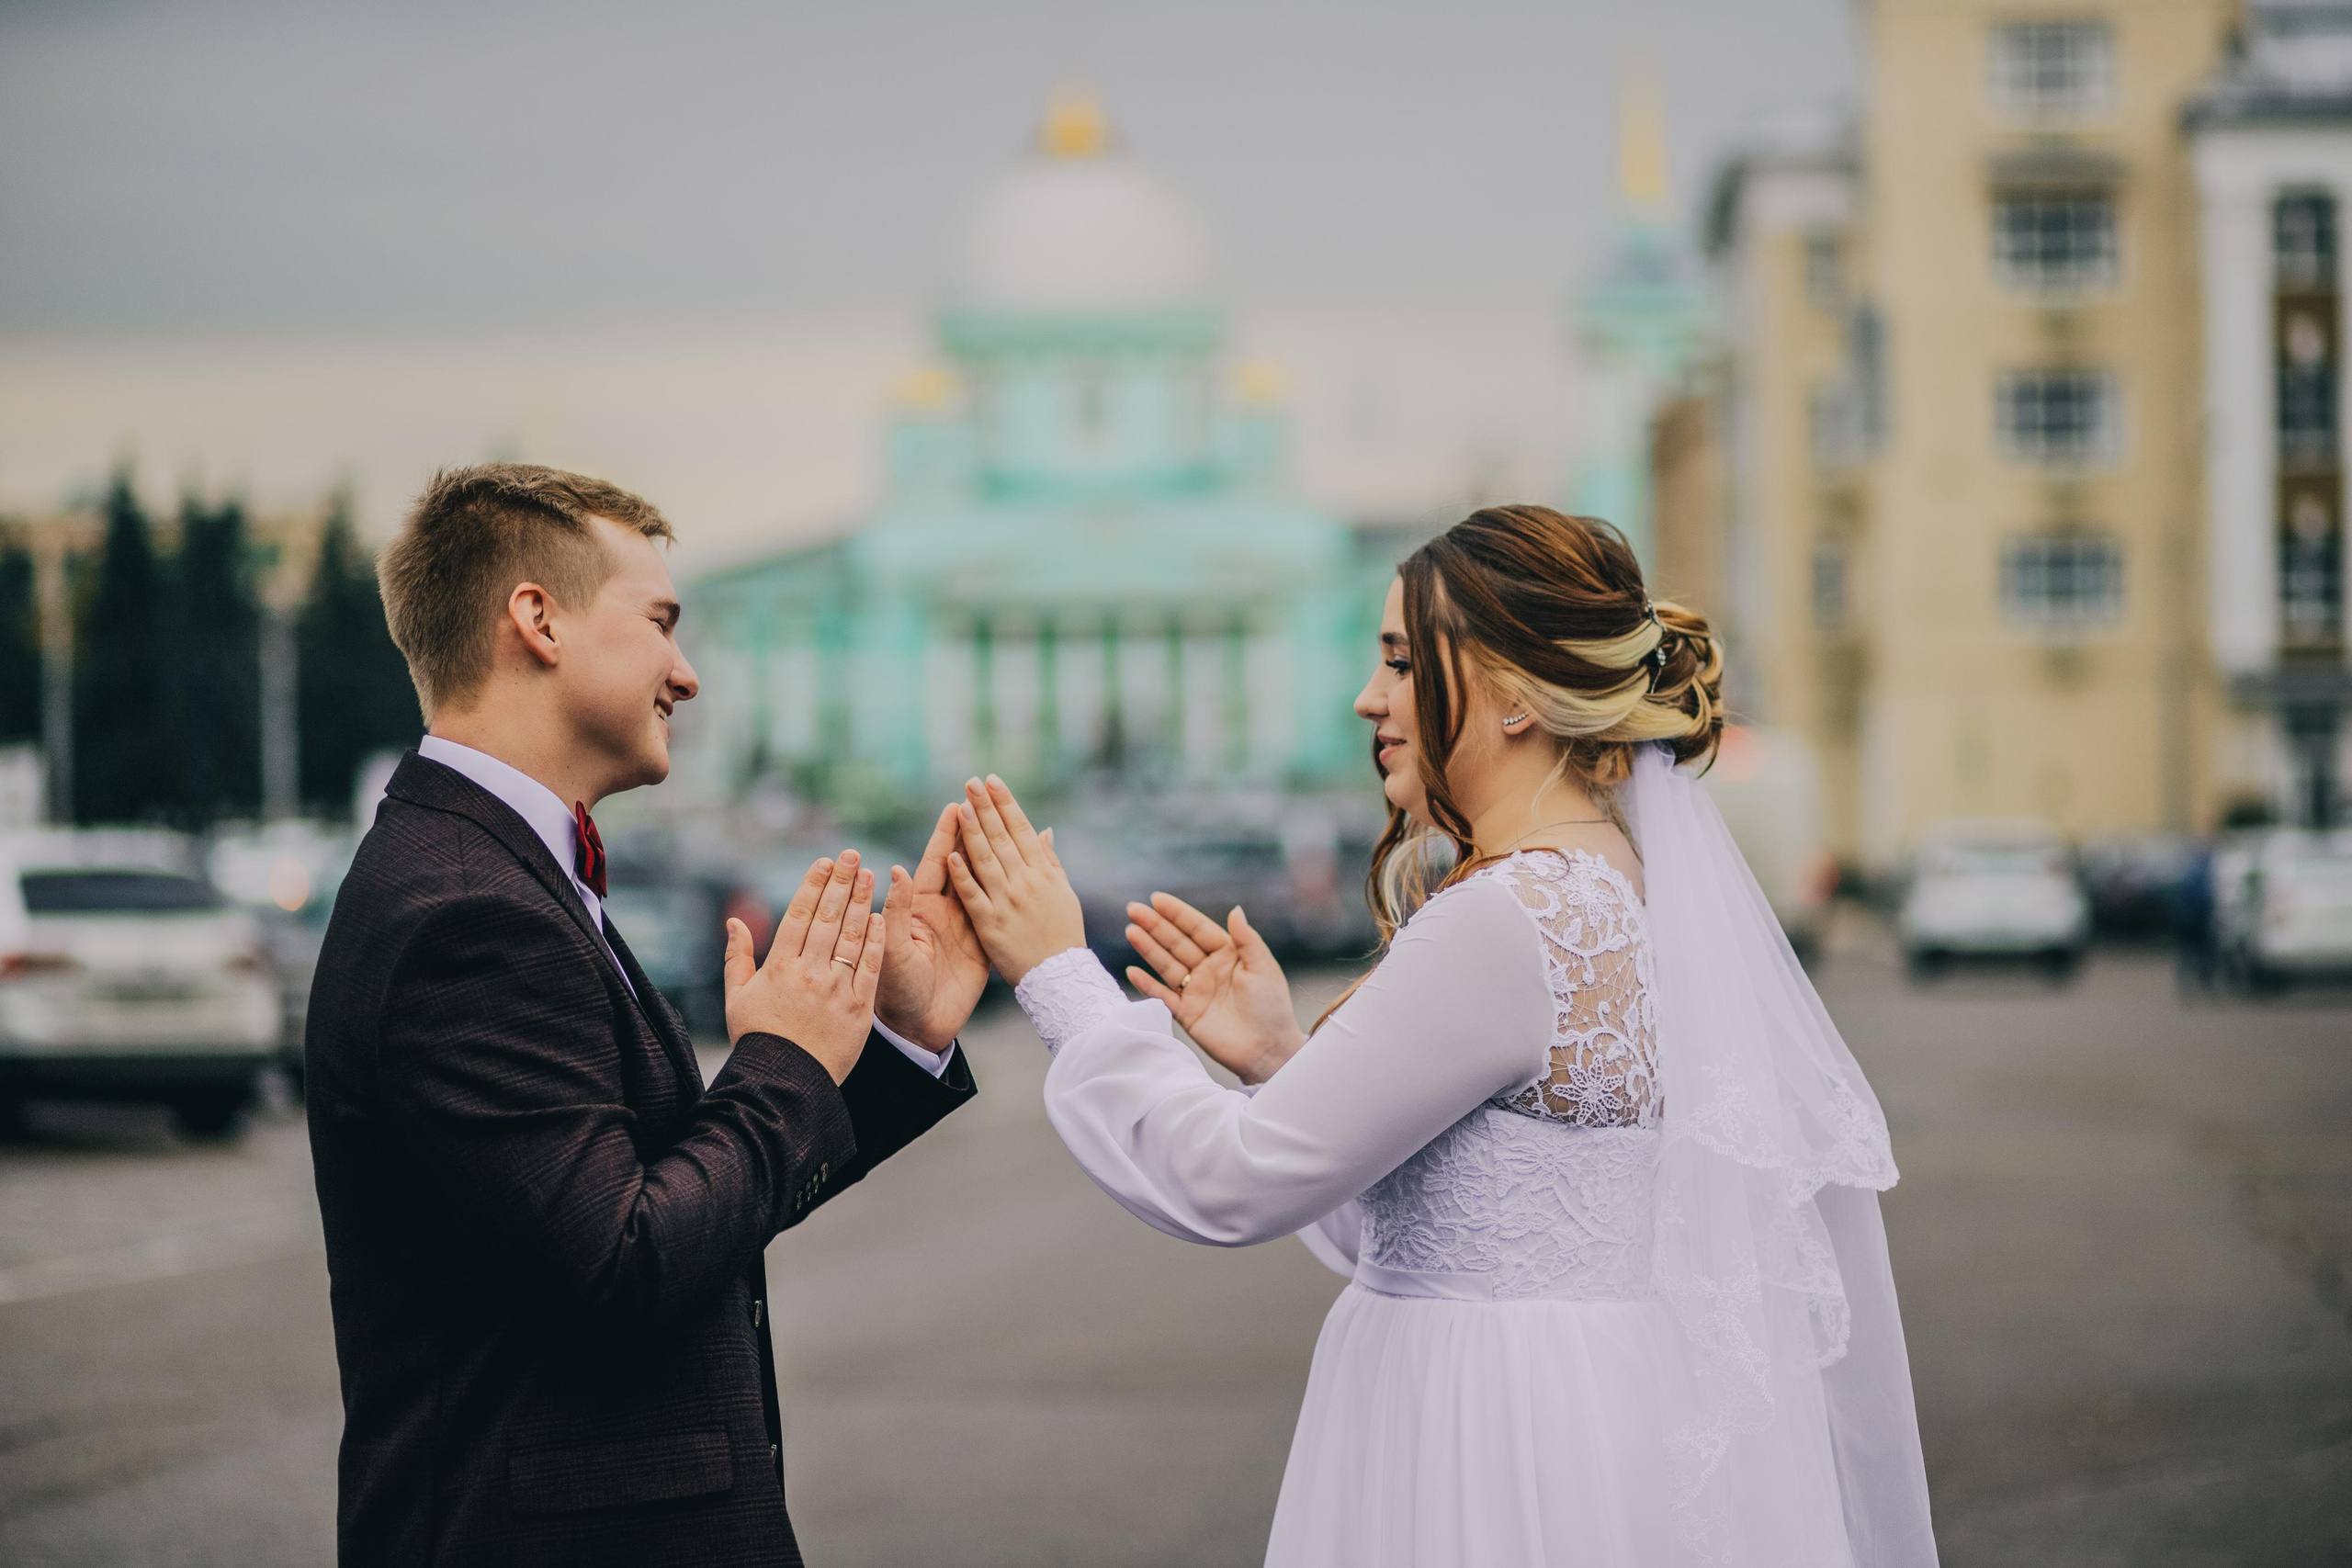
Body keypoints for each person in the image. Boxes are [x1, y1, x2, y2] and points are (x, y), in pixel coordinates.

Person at [942, 505, 1939, 1568]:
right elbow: (1440, 1219)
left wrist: (1057, 975)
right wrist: (1288, 1062)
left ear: (1513, 694)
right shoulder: (1618, 891)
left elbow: (1222, 1184)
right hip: (1591, 1413)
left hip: (1487, 1433)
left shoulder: (1506, 918)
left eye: (1405, 663)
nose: (1370, 699)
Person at [306, 465, 989, 1567]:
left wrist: (885, 1044)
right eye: (663, 623)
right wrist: (780, 1058)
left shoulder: (499, 869)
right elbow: (626, 1262)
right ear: (539, 621)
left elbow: (664, 1195)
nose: (688, 673)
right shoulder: (463, 911)